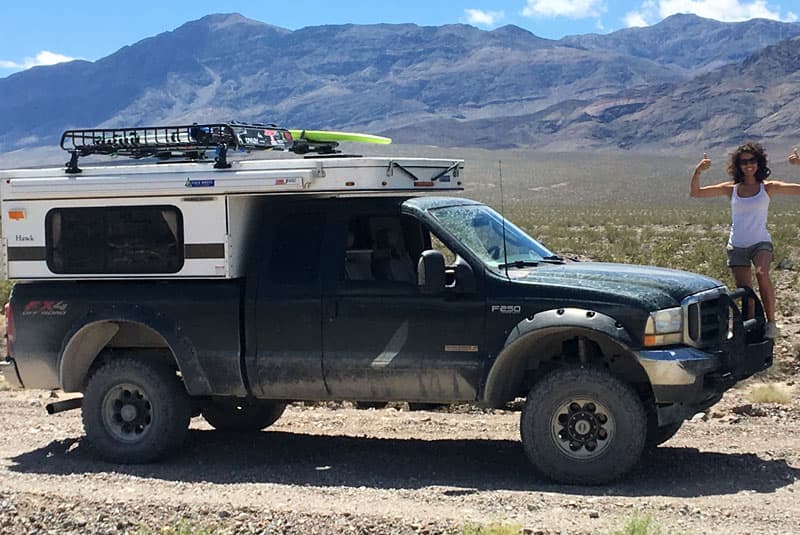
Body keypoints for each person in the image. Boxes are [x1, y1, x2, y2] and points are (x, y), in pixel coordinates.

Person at [690, 143, 800, 338]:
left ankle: (771, 323)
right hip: (737, 245)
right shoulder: (730, 189)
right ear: (738, 165)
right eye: (744, 162)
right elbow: (696, 193)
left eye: (752, 160)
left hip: (760, 242)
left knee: (762, 273)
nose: (749, 165)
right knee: (745, 292)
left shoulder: (768, 187)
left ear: (759, 162)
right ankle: (750, 331)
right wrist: (698, 171)